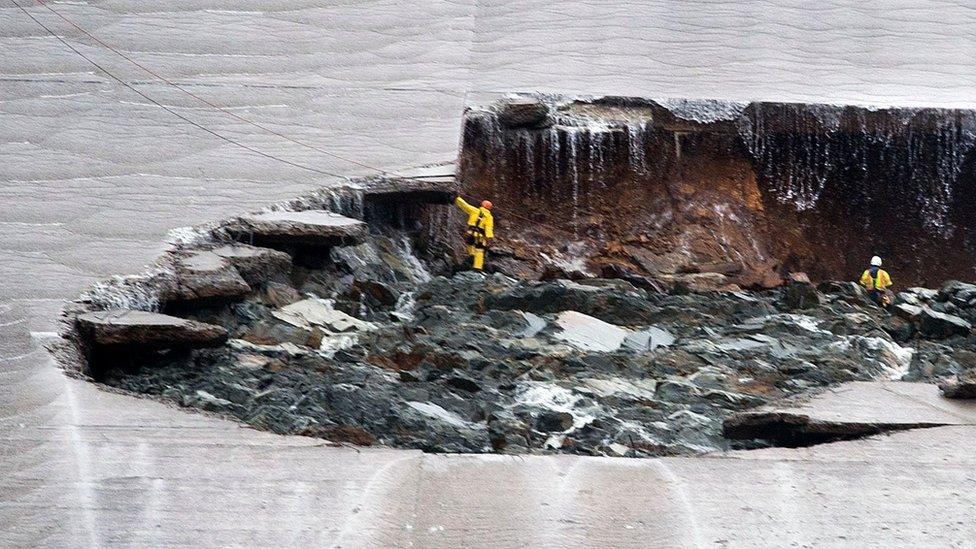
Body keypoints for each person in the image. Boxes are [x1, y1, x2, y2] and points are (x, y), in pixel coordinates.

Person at [454, 196, 494, 271]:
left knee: (470, 246)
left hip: (470, 233)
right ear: (489, 208)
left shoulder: (474, 210)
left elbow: (465, 206)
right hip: (480, 236)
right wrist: (489, 237)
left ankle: (471, 257)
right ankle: (477, 267)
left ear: (482, 205)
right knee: (479, 251)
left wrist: (457, 198)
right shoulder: (489, 217)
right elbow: (489, 228)